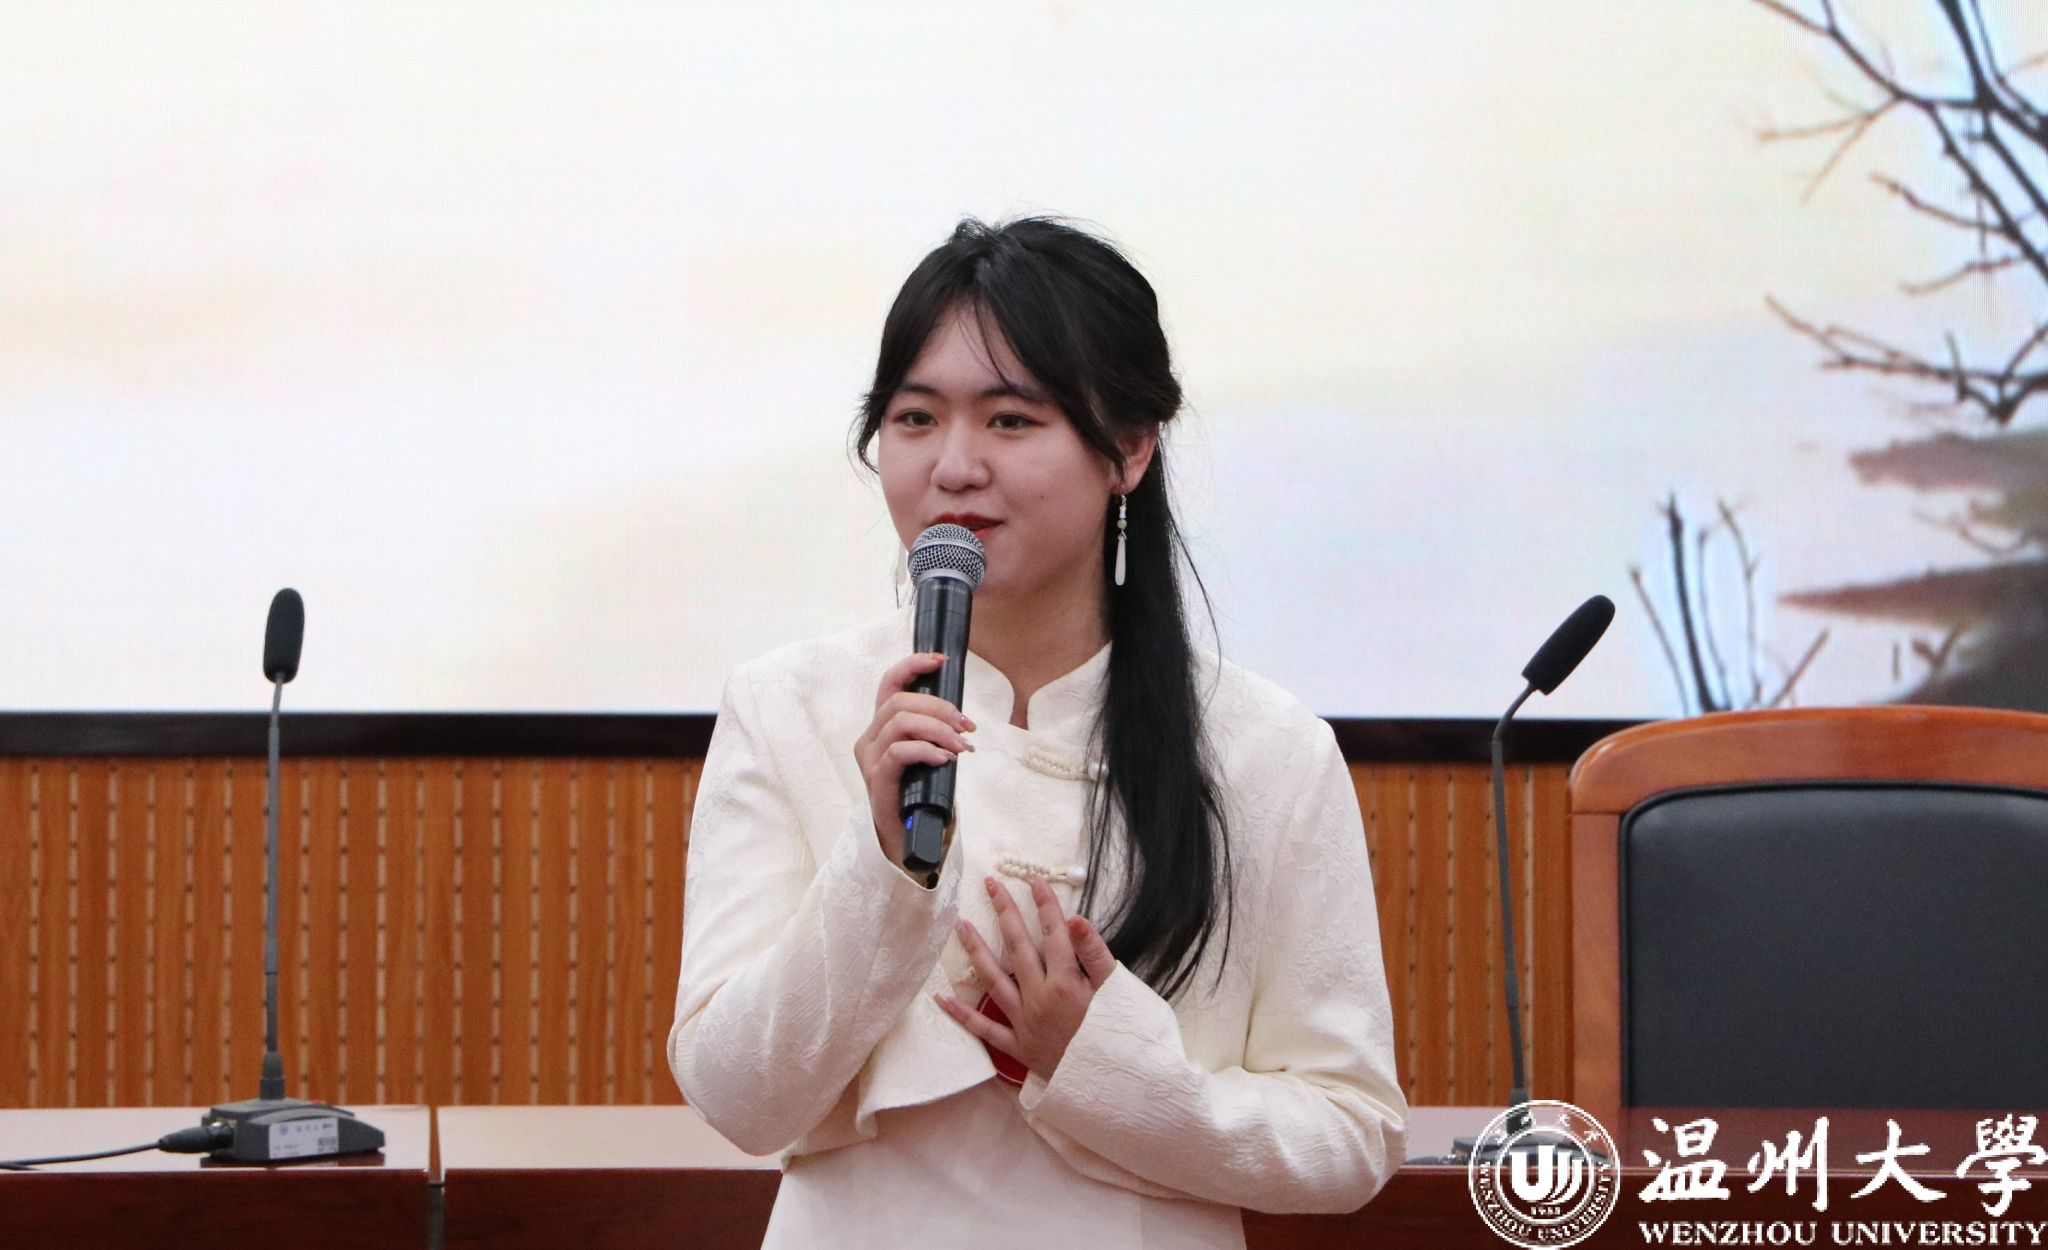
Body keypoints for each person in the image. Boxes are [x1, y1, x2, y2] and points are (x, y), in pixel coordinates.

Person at [668, 217, 1407, 1249]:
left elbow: (1349, 1135)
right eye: (915, 417)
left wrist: (1102, 1061)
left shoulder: (1267, 750)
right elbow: (736, 1096)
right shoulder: (787, 706)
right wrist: (880, 866)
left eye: (1011, 420)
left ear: (1131, 448)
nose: (954, 465)